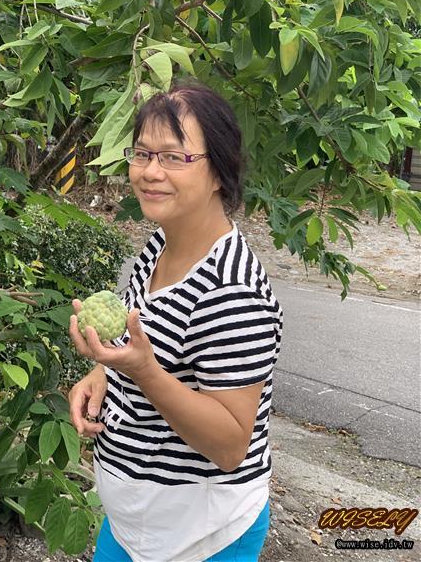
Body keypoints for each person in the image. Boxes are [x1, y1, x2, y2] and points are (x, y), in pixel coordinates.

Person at [68, 81, 283, 562]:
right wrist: (102, 372)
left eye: (174, 157)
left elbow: (230, 445)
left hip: (201, 537)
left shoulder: (232, 291)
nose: (150, 172)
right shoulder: (160, 245)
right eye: (142, 154)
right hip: (133, 528)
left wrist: (142, 371)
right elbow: (146, 340)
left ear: (218, 171)